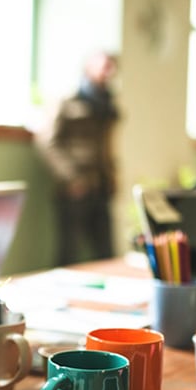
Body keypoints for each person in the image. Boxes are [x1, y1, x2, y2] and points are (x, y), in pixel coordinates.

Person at [34, 51, 120, 266]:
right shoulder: (66, 101)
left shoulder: (108, 106)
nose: (106, 71)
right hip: (74, 190)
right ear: (88, 68)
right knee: (68, 255)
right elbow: (46, 141)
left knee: (107, 253)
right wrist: (71, 178)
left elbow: (107, 147)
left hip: (101, 188)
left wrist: (112, 175)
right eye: (102, 66)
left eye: (110, 66)